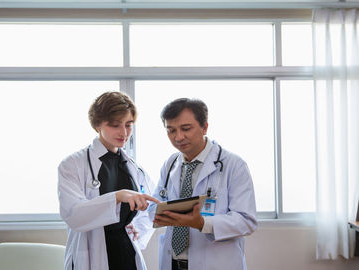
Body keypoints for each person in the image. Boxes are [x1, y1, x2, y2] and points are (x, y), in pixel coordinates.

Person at [58, 91, 159, 270]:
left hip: (126, 254)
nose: (124, 132)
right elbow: (73, 214)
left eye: (129, 125)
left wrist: (137, 229)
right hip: (90, 255)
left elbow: (149, 209)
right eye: (115, 125)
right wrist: (117, 197)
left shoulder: (134, 168)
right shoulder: (73, 164)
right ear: (97, 125)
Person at [152, 98, 257, 270]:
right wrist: (154, 211)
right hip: (173, 262)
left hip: (216, 263)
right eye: (171, 130)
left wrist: (202, 223)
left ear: (204, 127)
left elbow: (247, 221)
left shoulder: (233, 165)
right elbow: (156, 203)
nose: (178, 137)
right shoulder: (170, 163)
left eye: (186, 129)